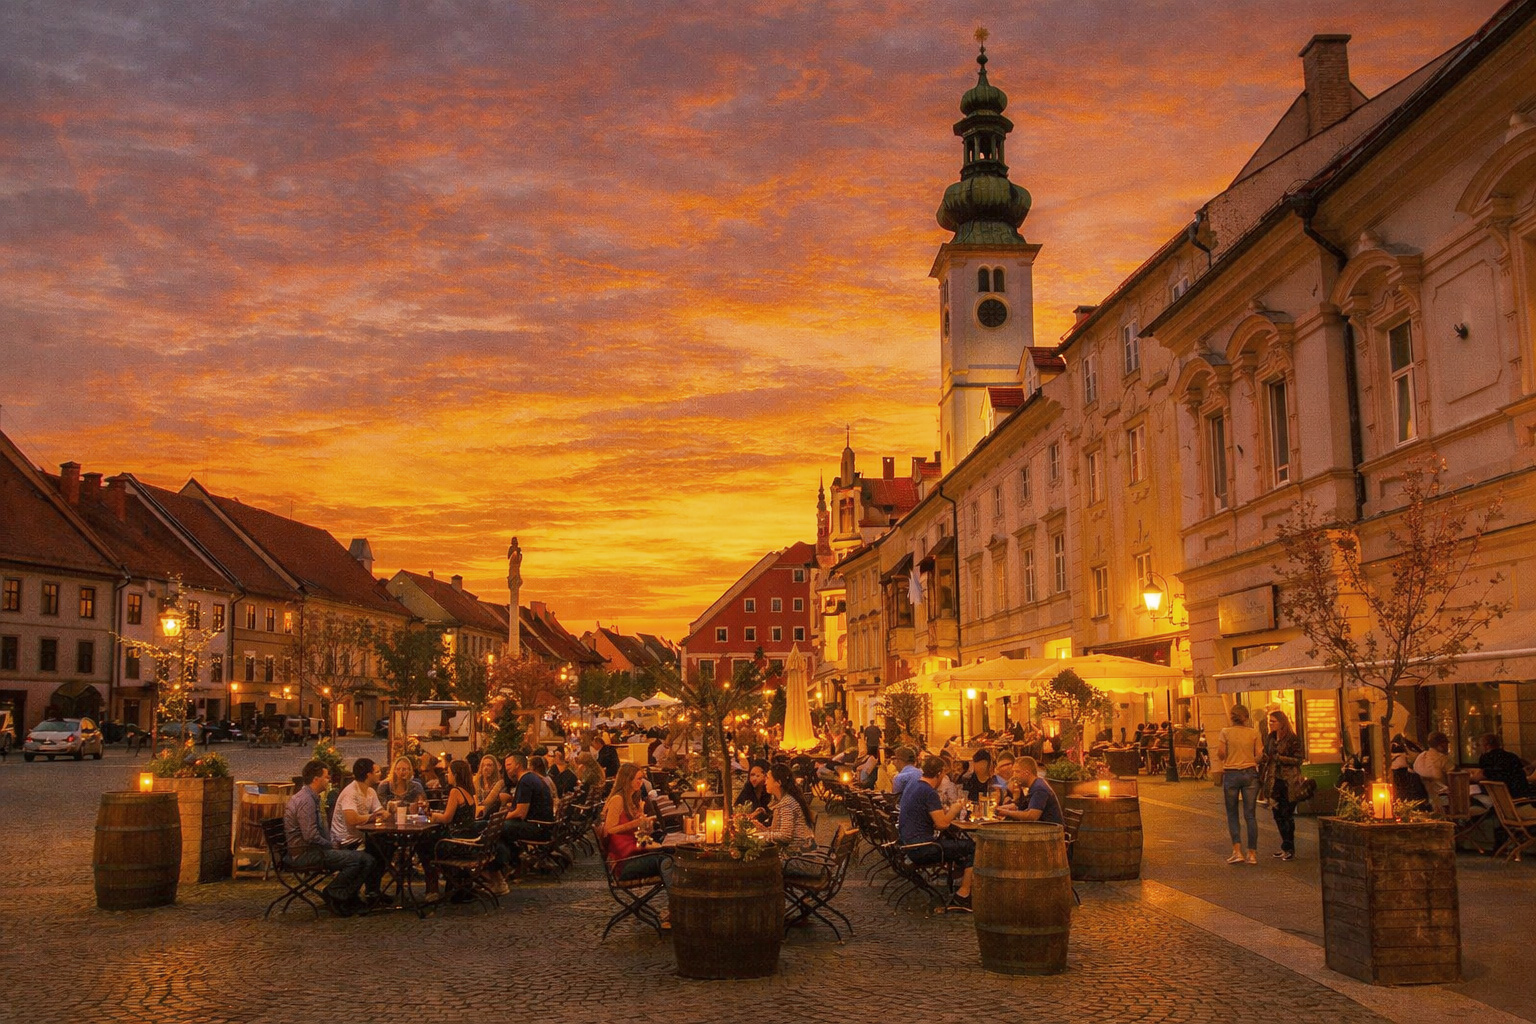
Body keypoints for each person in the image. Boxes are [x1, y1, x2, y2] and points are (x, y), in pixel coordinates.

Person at [283, 759, 375, 916]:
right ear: (316, 779)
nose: (329, 780)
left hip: (310, 850)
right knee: (364, 860)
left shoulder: (310, 797)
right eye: (326, 777)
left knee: (364, 858)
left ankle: (345, 896)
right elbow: (311, 836)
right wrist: (331, 845)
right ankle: (336, 893)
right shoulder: (306, 801)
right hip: (306, 853)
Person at [897, 756, 973, 906]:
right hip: (922, 848)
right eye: (944, 774)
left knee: (958, 844)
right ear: (939, 773)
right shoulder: (928, 792)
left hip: (909, 845)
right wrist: (955, 809)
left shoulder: (914, 787)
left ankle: (960, 878)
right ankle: (963, 893)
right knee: (972, 847)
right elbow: (942, 824)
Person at [602, 762, 672, 923]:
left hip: (632, 852)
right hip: (624, 863)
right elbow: (609, 829)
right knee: (667, 861)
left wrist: (644, 825)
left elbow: (636, 833)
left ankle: (674, 907)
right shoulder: (618, 800)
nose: (641, 782)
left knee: (670, 854)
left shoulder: (630, 799)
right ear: (627, 779)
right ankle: (675, 907)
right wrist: (636, 823)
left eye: (642, 779)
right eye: (638, 779)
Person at [1218, 704, 1262, 865]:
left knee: (1232, 813)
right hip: (1250, 773)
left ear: (1232, 717)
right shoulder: (1254, 732)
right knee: (1250, 815)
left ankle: (1237, 851)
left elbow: (1221, 754)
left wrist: (1230, 756)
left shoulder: (1225, 732)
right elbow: (1260, 755)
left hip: (1231, 774)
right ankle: (1252, 854)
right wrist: (1248, 760)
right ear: (1246, 717)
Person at [1261, 709, 1304, 860]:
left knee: (1287, 814)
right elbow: (1267, 754)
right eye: (1269, 721)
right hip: (1274, 779)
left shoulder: (1292, 739)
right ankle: (1285, 846)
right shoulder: (1271, 738)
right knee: (1277, 813)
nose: (1270, 724)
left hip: (1289, 781)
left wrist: (1280, 758)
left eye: (1273, 721)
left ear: (1282, 722)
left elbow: (1298, 760)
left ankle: (1289, 847)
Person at [763, 764, 819, 876]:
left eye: (768, 778)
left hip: (800, 861)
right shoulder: (787, 799)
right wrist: (764, 830)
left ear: (778, 782)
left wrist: (762, 836)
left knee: (762, 866)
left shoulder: (787, 804)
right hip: (801, 857)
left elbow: (785, 836)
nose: (765, 782)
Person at [501, 754, 556, 842]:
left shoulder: (525, 781)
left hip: (537, 828)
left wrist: (501, 818)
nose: (506, 768)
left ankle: (506, 855)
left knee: (497, 828)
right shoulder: (532, 777)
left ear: (518, 765)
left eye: (508, 765)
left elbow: (520, 813)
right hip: (545, 827)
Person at [332, 757, 384, 847]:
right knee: (377, 851)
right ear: (369, 775)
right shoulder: (350, 792)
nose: (380, 774)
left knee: (386, 843)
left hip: (362, 838)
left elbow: (381, 812)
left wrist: (390, 810)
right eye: (377, 772)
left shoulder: (370, 791)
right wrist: (372, 817)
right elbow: (352, 819)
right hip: (345, 842)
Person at [995, 756, 1062, 825]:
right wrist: (1002, 808)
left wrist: (1007, 813)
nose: (1014, 776)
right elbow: (1022, 807)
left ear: (1027, 773)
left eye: (1017, 772)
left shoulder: (1039, 789)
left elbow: (1032, 816)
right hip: (1042, 831)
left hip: (1051, 833)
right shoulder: (1035, 785)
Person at [1470, 733, 1533, 800]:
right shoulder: (1512, 756)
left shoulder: (1487, 757)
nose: (1480, 748)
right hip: (1520, 794)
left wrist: (1466, 779)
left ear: (1487, 746)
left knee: (1473, 791)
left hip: (1502, 797)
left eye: (1479, 745)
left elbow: (1480, 776)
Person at [428, 759, 478, 837]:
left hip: (457, 837)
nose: (447, 775)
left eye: (449, 772)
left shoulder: (455, 791)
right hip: (469, 833)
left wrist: (433, 815)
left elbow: (447, 818)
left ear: (455, 775)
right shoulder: (469, 791)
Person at [1412, 732, 1454, 806]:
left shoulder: (1420, 757)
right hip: (1443, 799)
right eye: (1446, 744)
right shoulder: (1442, 758)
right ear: (1441, 745)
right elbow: (1457, 776)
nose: (1447, 747)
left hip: (1424, 800)